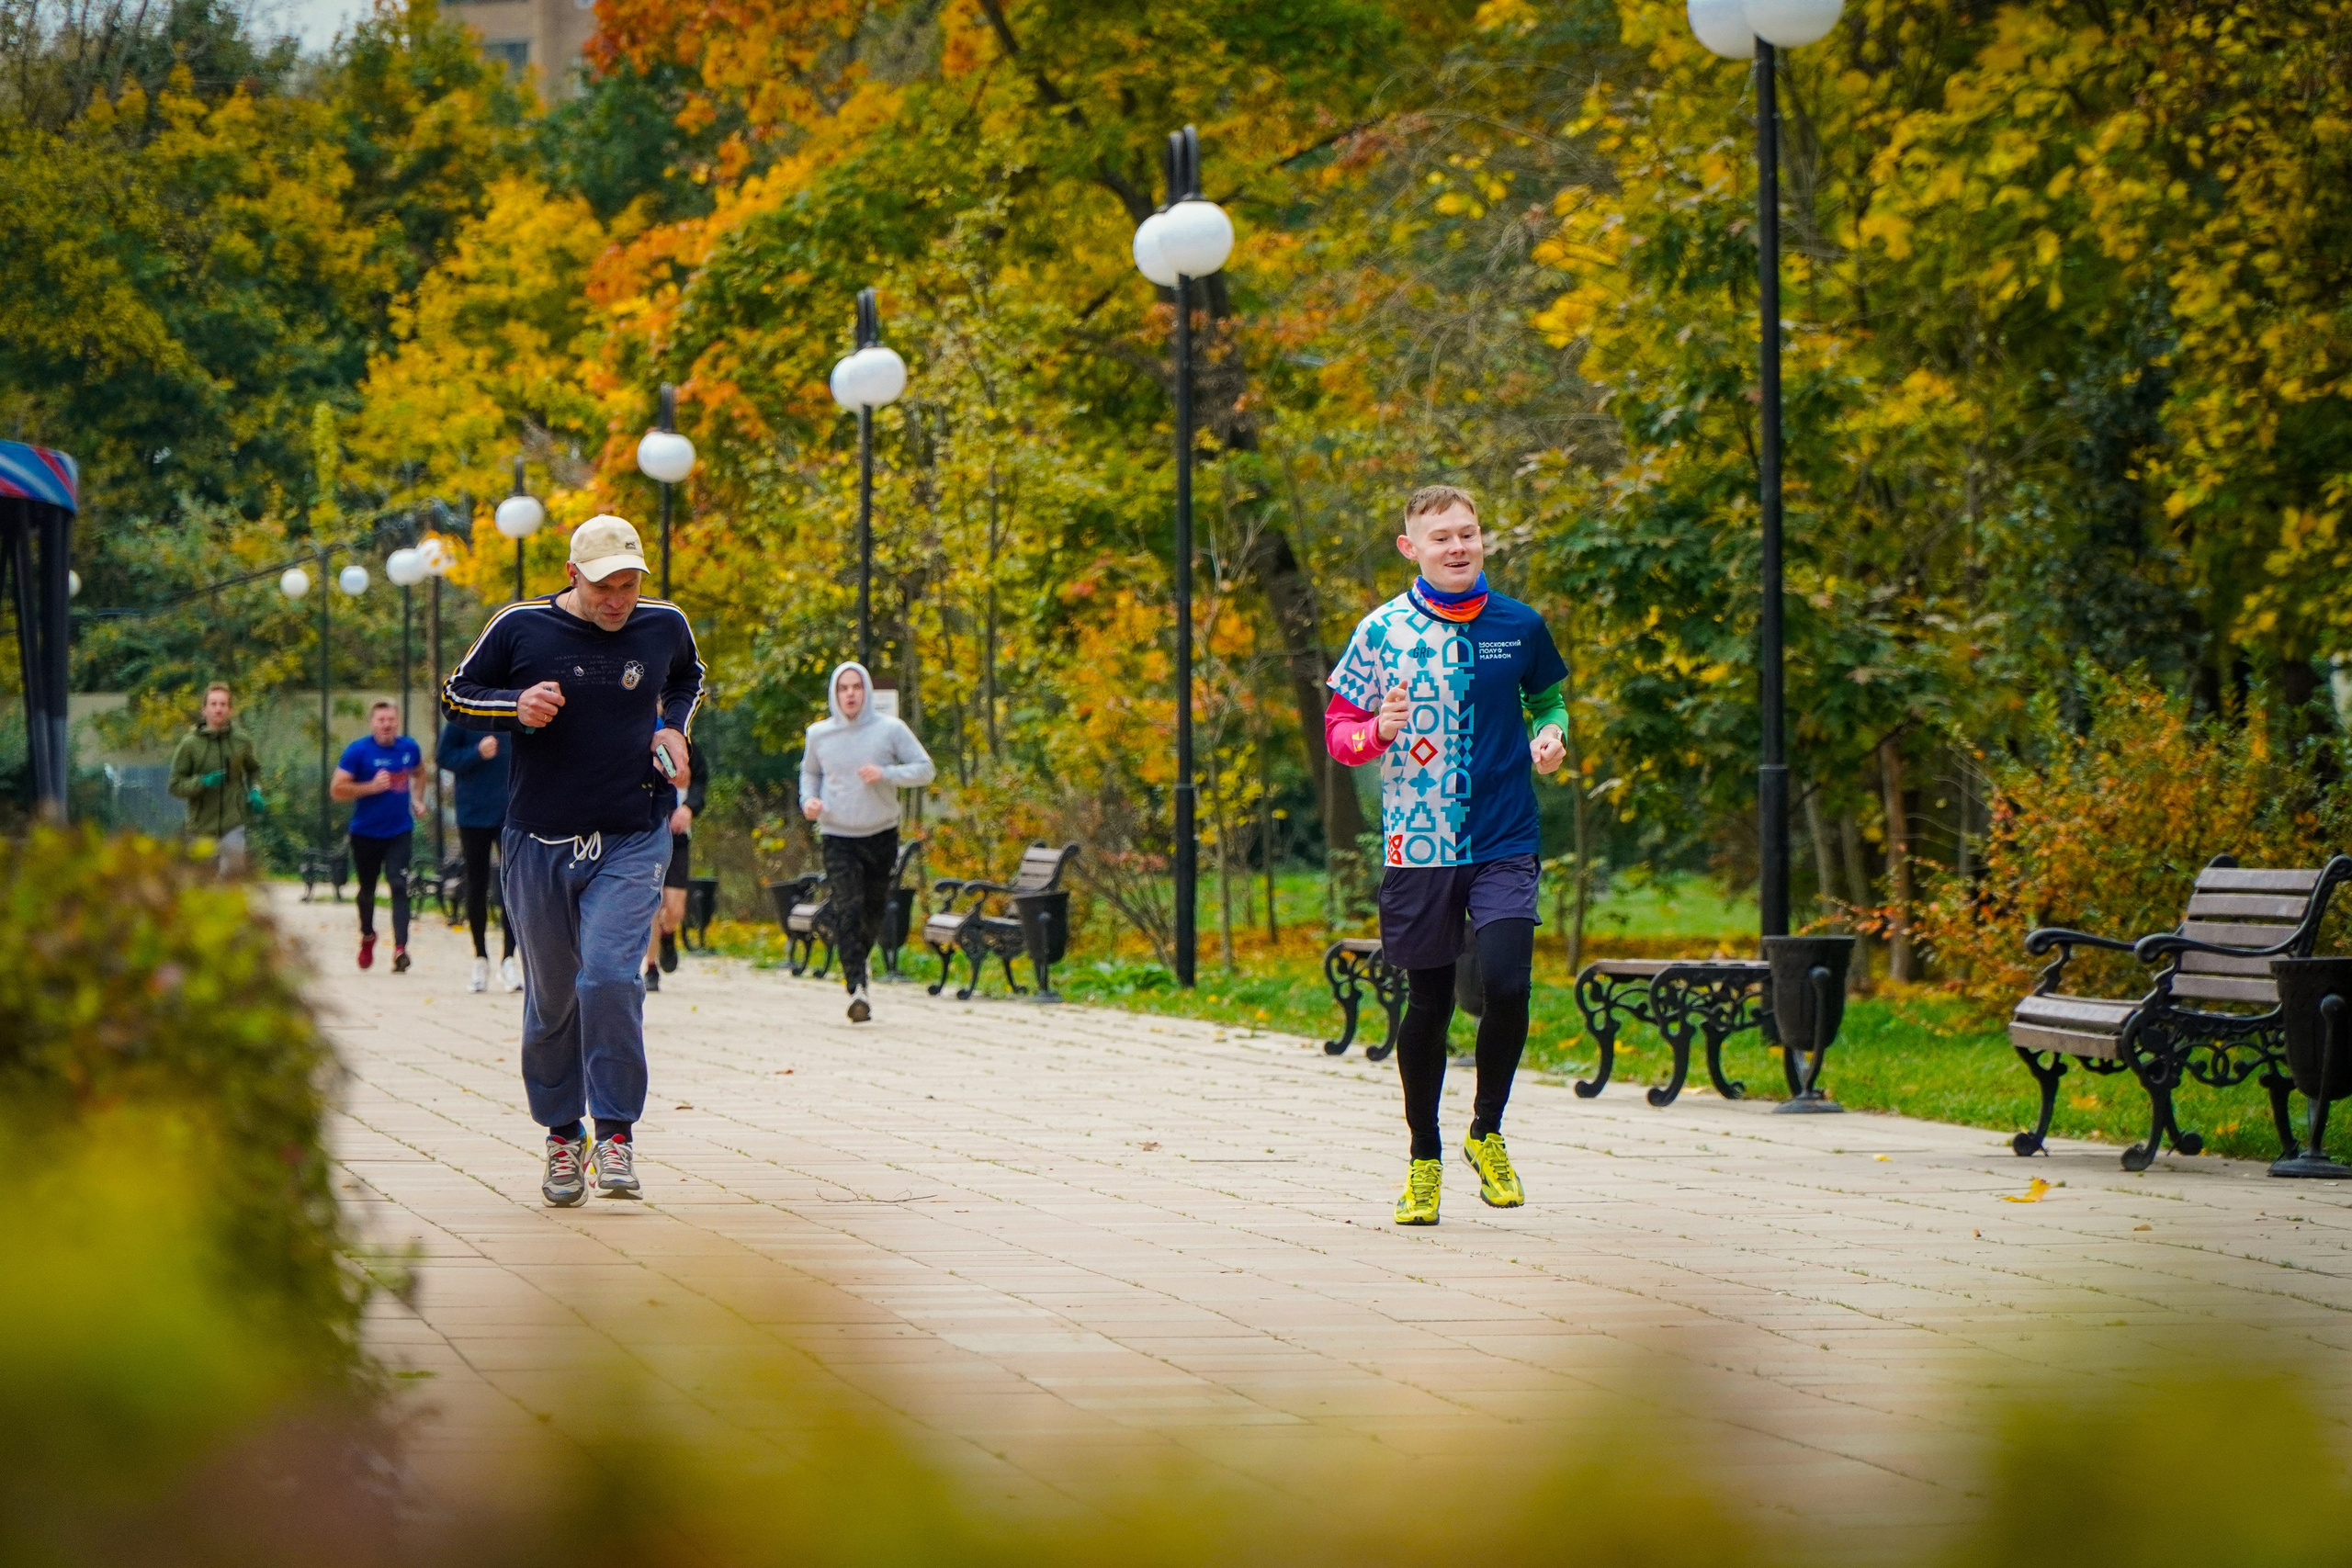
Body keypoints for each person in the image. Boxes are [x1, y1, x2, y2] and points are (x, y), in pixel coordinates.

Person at [1325, 484, 1567, 1226]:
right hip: (1420, 844)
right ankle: (1423, 1158)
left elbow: (1548, 700)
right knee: (1427, 1004)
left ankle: (1486, 1132)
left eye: (1468, 532)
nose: (1458, 546)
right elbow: (1339, 731)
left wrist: (1552, 735)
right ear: (1412, 548)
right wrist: (1378, 731)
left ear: (1482, 537)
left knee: (1508, 984)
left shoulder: (1520, 625)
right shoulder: (1380, 632)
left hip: (1504, 836)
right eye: (1441, 537)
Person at [443, 514, 702, 1207]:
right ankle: (563, 1135)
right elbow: (455, 694)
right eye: (603, 586)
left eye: (628, 585)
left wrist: (676, 729)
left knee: (611, 977)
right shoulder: (519, 627)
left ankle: (615, 1132)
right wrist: (514, 705)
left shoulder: (664, 624)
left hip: (632, 832)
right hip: (538, 837)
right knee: (553, 996)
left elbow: (689, 677)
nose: (618, 600)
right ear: (572, 575)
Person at [799, 661, 933, 1022]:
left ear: (867, 691)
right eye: (843, 688)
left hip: (880, 833)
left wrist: (886, 773)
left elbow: (925, 769)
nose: (850, 694)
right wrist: (808, 801)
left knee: (873, 911)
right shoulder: (819, 734)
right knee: (848, 908)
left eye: (856, 687)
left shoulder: (890, 729)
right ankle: (857, 985)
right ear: (834, 693)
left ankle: (860, 965)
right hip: (837, 835)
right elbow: (809, 773)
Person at [332, 702, 427, 974]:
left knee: (399, 884)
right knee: (367, 890)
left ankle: (400, 949)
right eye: (381, 720)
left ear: (398, 722)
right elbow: (337, 790)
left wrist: (418, 800)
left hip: (399, 831)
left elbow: (421, 773)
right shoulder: (358, 751)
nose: (386, 725)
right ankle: (368, 935)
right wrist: (371, 787)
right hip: (365, 833)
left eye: (391, 720)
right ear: (372, 723)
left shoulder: (409, 748)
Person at [437, 715, 520, 994]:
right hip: (473, 813)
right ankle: (480, 957)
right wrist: (476, 753)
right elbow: (444, 756)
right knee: (476, 883)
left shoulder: (514, 712)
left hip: (512, 812)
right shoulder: (465, 716)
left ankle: (509, 959)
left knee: (512, 885)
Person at [168, 682, 264, 875]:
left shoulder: (241, 741)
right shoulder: (190, 745)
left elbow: (254, 770)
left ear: (230, 709)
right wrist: (202, 782)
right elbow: (175, 785)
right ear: (204, 709)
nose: (218, 709)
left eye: (223, 704)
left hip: (233, 822)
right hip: (201, 828)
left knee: (234, 876)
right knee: (204, 881)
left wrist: (256, 790)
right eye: (213, 704)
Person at [642, 730, 707, 993]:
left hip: (677, 837)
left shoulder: (687, 745)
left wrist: (689, 808)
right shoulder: (636, 739)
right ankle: (651, 967)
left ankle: (668, 934)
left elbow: (700, 781)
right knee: (652, 904)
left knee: (675, 909)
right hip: (646, 835)